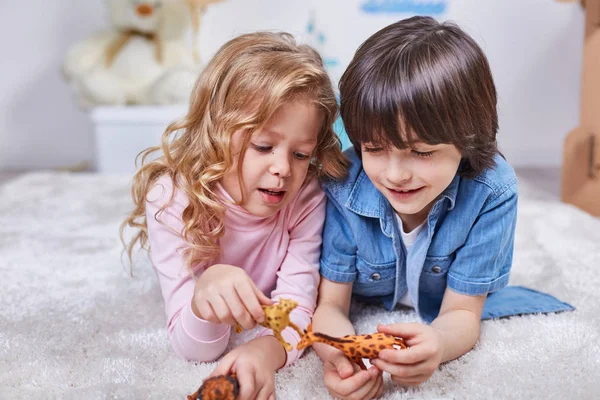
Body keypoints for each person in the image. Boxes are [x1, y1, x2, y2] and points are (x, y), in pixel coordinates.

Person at [311, 16, 574, 400]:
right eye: (374, 148)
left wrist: (438, 343)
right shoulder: (342, 185)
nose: (396, 174)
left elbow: (463, 314)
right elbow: (331, 304)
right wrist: (341, 354)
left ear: (468, 140)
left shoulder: (492, 190)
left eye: (421, 152)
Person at [120, 31, 347, 400]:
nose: (283, 169)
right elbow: (193, 350)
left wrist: (263, 351)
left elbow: (297, 305)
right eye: (263, 146)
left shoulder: (305, 197)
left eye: (301, 154)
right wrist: (204, 297)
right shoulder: (171, 198)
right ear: (216, 132)